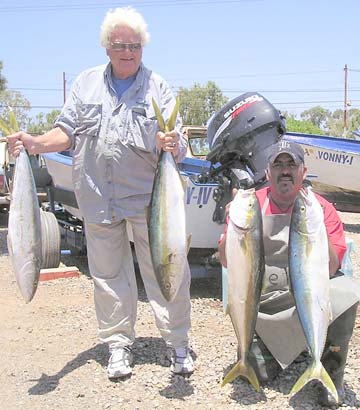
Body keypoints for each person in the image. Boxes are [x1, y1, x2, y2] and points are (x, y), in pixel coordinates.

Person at [7, 6, 194, 379]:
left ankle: (177, 343)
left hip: (148, 202)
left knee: (167, 269)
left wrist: (171, 143)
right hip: (97, 198)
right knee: (107, 275)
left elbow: (180, 145)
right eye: (120, 44)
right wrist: (34, 144)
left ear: (144, 48)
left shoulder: (158, 87)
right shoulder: (86, 83)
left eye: (135, 45)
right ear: (107, 47)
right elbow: (66, 132)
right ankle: (118, 345)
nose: (128, 52)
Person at [218, 140, 359, 407]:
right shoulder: (248, 204)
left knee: (348, 293)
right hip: (265, 303)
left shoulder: (320, 208)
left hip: (307, 296)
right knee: (256, 372)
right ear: (267, 172)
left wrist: (317, 230)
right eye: (278, 165)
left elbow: (331, 268)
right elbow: (227, 261)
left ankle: (330, 373)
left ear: (303, 172)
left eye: (291, 164)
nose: (285, 171)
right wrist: (231, 228)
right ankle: (276, 351)